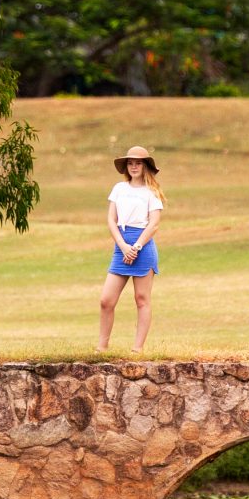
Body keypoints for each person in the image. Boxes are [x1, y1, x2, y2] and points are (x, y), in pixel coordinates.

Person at [98, 145, 165, 352]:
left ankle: (137, 349)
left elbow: (153, 224)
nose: (134, 166)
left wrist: (135, 247)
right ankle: (102, 346)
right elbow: (111, 219)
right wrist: (123, 245)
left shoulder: (151, 192)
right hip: (121, 245)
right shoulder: (119, 188)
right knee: (106, 300)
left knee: (142, 299)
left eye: (138, 163)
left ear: (145, 166)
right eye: (130, 163)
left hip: (142, 247)